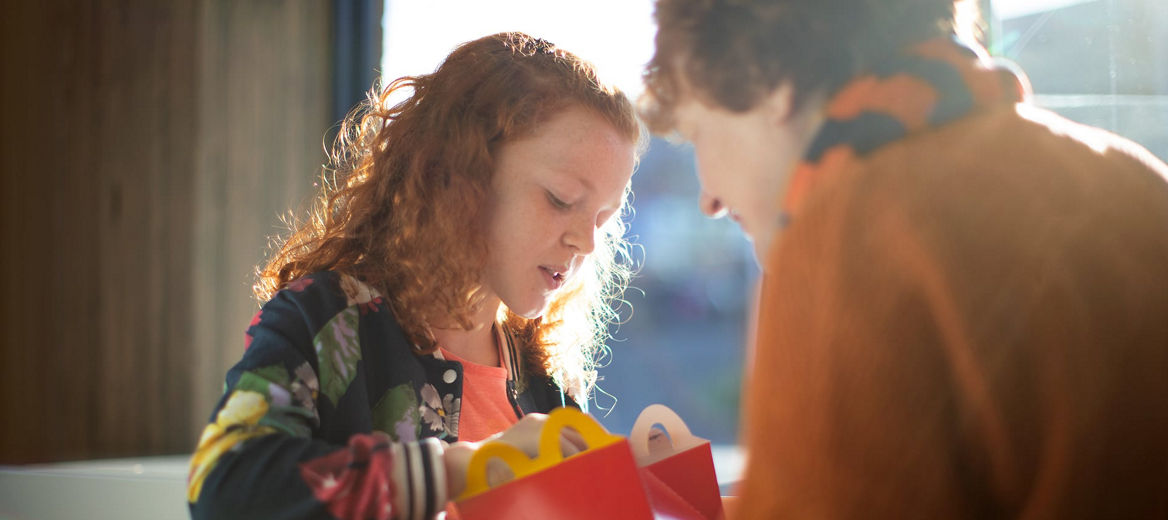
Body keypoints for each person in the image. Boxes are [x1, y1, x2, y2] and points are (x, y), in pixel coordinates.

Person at [641, 0, 1168, 518]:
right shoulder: (1135, 180)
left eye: (696, 133)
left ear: (760, 78)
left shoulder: (848, 237)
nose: (707, 198)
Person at [187, 32, 644, 520]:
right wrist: (463, 470)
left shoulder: (545, 381)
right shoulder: (328, 323)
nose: (587, 243)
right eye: (559, 199)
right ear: (462, 173)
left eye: (601, 219)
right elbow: (223, 485)